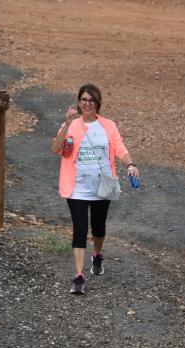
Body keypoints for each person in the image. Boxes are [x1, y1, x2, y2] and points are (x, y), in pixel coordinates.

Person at [52, 83, 140, 295]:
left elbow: (119, 147)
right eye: (83, 100)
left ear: (97, 103)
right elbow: (56, 149)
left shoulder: (108, 126)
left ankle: (97, 254)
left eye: (91, 100)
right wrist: (65, 125)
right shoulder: (71, 125)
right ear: (78, 102)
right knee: (80, 228)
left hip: (102, 186)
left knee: (98, 228)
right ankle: (79, 275)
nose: (87, 103)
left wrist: (130, 164)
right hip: (77, 189)